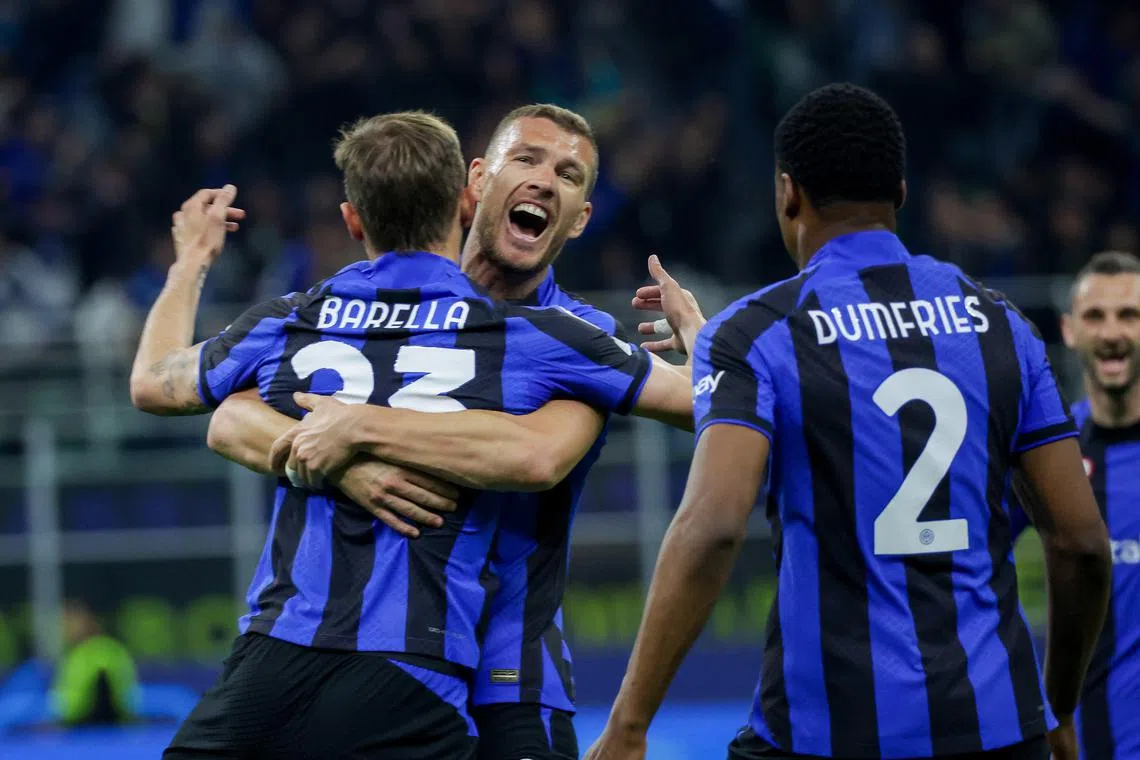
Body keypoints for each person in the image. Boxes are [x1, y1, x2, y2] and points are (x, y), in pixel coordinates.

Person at [128, 111, 692, 759]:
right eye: (528, 160)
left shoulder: (571, 331)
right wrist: (346, 465)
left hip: (509, 663)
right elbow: (230, 420)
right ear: (471, 188)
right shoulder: (531, 341)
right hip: (394, 657)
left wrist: (358, 427)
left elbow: (537, 457)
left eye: (567, 174)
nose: (543, 183)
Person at [582, 83, 1112, 760]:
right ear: (900, 190)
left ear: (787, 193)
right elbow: (1080, 544)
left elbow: (713, 526)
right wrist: (1058, 706)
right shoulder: (1002, 324)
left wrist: (629, 723)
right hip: (998, 729)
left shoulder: (757, 335)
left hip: (828, 736)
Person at [1009, 251, 1140, 760]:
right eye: (1095, 316)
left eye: (1129, 315)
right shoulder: (1048, 456)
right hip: (1082, 746)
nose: (1111, 332)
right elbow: (970, 560)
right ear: (1068, 330)